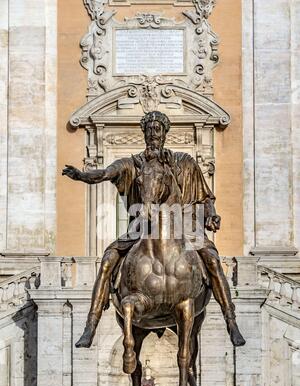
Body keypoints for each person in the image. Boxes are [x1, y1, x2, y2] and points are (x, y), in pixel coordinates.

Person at [63, 111, 245, 348]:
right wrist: (84, 176)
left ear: (164, 132)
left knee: (211, 259)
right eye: (149, 129)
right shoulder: (133, 163)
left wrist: (211, 214)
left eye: (157, 129)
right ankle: (91, 325)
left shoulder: (184, 162)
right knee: (108, 259)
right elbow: (107, 172)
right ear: (144, 133)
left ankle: (230, 320)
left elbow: (205, 195)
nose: (153, 134)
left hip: (183, 226)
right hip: (141, 227)